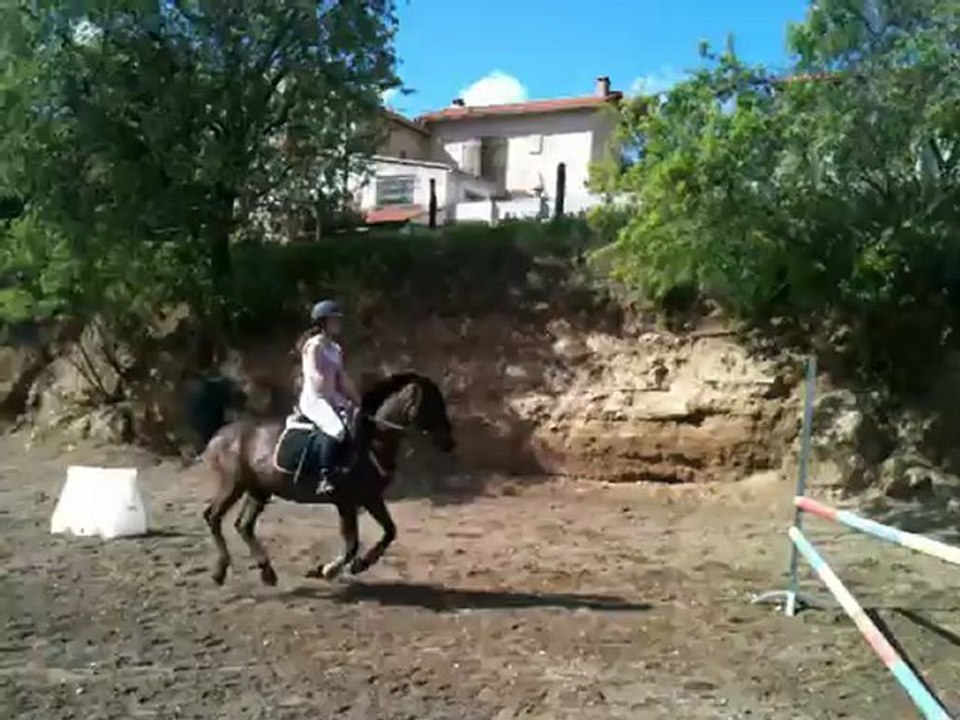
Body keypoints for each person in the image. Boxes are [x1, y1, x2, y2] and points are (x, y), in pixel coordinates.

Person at [296, 299, 362, 493]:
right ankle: (325, 476)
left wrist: (356, 400)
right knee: (336, 429)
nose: (338, 323)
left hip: (332, 397)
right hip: (314, 399)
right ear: (323, 322)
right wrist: (332, 396)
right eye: (335, 320)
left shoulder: (336, 349)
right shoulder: (313, 346)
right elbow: (314, 375)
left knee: (356, 423)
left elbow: (342, 377)